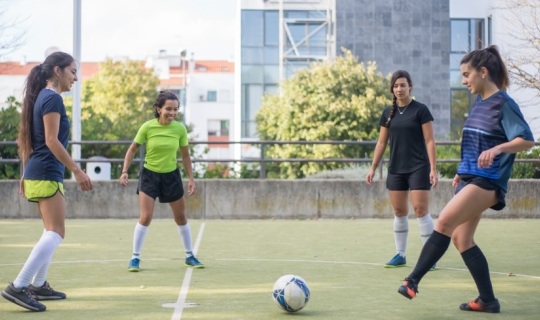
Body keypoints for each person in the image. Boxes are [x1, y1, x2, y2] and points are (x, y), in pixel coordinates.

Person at [397, 45, 534, 313]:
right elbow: (477, 143)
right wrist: (463, 169)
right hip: (474, 178)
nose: (463, 80)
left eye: (466, 74)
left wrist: (498, 149)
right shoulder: (481, 104)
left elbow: (527, 139)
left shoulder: (504, 103)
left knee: (445, 221)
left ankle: (412, 280)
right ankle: (488, 301)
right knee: (462, 239)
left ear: (483, 72)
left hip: (489, 181)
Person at [1, 52, 93, 312]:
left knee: (49, 231)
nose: (76, 77)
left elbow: (33, 138)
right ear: (57, 70)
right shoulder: (51, 98)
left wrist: (25, 171)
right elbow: (51, 140)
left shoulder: (42, 97)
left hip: (40, 171)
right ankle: (19, 286)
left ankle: (38, 284)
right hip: (44, 171)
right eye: (72, 71)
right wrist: (77, 169)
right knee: (56, 232)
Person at [119, 90, 203, 272]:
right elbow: (132, 149)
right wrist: (125, 171)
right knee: (145, 217)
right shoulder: (147, 127)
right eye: (168, 109)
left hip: (171, 176)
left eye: (175, 109)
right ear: (158, 109)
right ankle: (135, 258)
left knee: (180, 217)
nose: (172, 113)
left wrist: (191, 178)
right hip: (149, 175)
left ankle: (189, 255)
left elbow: (186, 155)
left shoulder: (179, 129)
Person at [366, 70, 438, 269]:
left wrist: (433, 168)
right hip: (396, 169)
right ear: (392, 89)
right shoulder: (387, 113)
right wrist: (373, 167)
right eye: (396, 86)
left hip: (419, 167)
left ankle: (429, 258)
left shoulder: (420, 110)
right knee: (399, 211)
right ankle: (400, 254)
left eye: (403, 85)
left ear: (410, 87)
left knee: (421, 210)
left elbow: (430, 140)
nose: (399, 89)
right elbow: (381, 143)